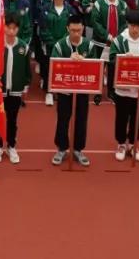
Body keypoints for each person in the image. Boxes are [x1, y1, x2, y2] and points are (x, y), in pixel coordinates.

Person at [108, 9, 139, 161]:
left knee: (137, 118)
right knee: (122, 117)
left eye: (138, 26)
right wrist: (122, 58)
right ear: (127, 25)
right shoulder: (119, 41)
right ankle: (121, 144)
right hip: (123, 89)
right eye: (132, 26)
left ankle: (133, 144)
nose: (135, 29)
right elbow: (111, 59)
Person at [51, 14, 96, 166]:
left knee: (81, 120)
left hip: (82, 91)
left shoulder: (89, 45)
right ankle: (61, 148)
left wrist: (85, 62)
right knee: (63, 119)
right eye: (73, 30)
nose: (76, 33)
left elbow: (96, 67)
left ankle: (78, 149)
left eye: (79, 30)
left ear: (83, 28)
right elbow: (54, 66)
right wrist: (68, 61)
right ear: (67, 29)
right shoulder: (59, 45)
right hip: (65, 91)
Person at [0, 15, 30, 163]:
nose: (11, 31)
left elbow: (27, 69)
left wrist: (25, 86)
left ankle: (11, 145)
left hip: (15, 90)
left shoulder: (23, 46)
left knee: (12, 119)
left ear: (18, 29)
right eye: (8, 28)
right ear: (3, 28)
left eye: (14, 28)